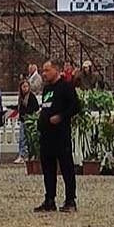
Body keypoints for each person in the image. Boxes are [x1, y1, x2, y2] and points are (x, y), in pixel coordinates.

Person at [34, 59, 80, 213]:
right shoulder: (47, 89)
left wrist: (61, 116)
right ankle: (49, 199)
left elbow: (75, 107)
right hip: (47, 135)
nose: (44, 74)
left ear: (56, 70)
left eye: (47, 70)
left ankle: (70, 200)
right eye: (43, 70)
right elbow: (46, 106)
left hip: (61, 135)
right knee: (48, 168)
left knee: (66, 167)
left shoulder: (66, 87)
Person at [15, 78, 40, 163]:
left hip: (29, 120)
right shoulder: (21, 98)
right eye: (23, 86)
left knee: (28, 138)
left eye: (26, 86)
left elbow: (36, 107)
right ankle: (22, 154)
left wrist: (28, 113)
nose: (25, 88)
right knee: (22, 138)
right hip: (23, 120)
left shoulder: (31, 97)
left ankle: (27, 154)